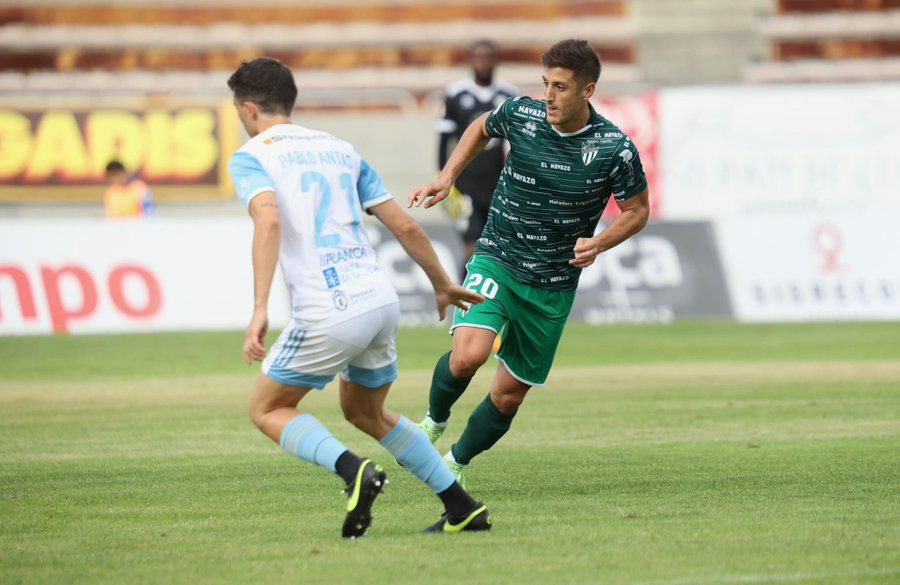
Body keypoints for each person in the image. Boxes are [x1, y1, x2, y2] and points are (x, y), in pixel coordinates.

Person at [226, 57, 492, 538]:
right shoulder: (341, 149)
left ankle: (353, 472)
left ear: (247, 110)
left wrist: (260, 309)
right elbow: (405, 224)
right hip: (378, 300)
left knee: (267, 409)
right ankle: (462, 506)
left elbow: (267, 221)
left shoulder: (252, 156)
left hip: (330, 309)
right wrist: (441, 282)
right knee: (366, 412)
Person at [408, 40, 651, 487]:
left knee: (507, 395)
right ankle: (432, 420)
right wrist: (447, 178)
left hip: (553, 283)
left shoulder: (614, 148)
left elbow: (637, 211)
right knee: (468, 356)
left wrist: (599, 243)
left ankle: (453, 464)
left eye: (560, 87)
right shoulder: (521, 114)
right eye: (545, 84)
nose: (549, 96)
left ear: (587, 91)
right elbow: (481, 127)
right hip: (498, 254)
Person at [437, 40, 518, 281]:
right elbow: (444, 140)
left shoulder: (509, 94)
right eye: (479, 56)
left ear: (496, 60)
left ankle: (490, 302)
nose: (483, 62)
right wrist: (443, 177)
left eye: (488, 56)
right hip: (465, 183)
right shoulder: (455, 93)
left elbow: (515, 141)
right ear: (471, 60)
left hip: (497, 182)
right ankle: (464, 298)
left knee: (494, 249)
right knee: (472, 248)